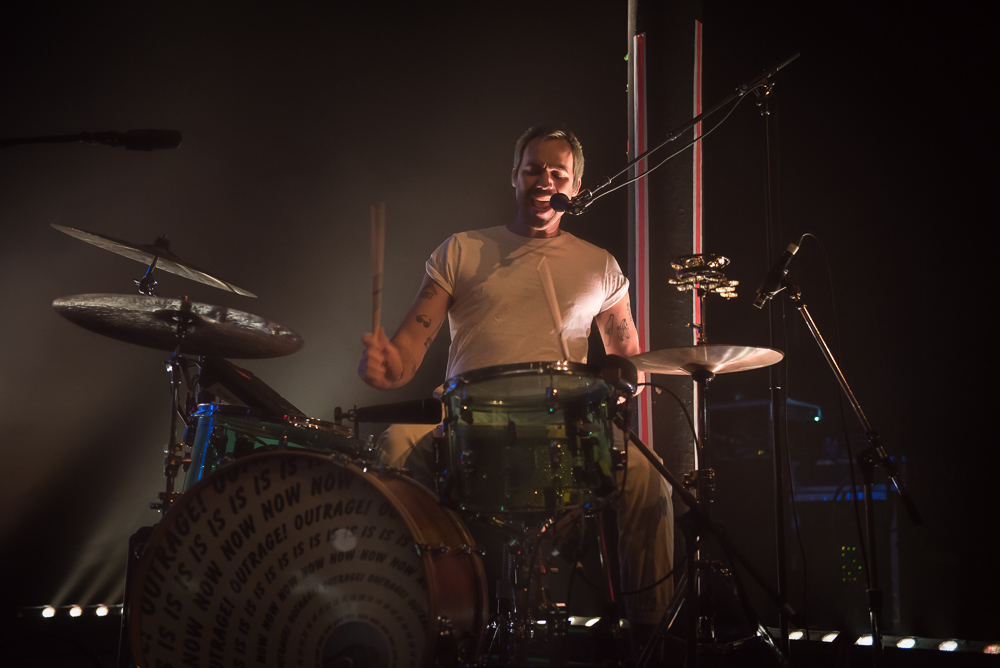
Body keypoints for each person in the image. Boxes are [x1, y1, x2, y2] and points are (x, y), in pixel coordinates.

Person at [358, 124, 673, 658]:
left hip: (563, 429)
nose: (544, 180)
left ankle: (650, 639)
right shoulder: (462, 250)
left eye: (558, 173)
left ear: (575, 186)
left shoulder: (600, 265)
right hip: (465, 422)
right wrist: (388, 367)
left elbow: (631, 363)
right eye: (533, 170)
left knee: (649, 477)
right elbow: (408, 351)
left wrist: (619, 385)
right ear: (514, 176)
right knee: (391, 447)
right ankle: (400, 617)